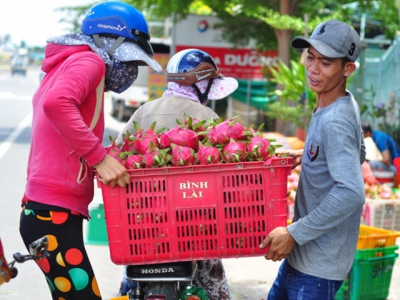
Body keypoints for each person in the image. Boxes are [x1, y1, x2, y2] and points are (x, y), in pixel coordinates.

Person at [19, 2, 161, 299]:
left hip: (48, 211)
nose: (130, 70)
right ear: (110, 42)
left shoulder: (69, 63)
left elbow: (60, 136)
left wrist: (113, 154)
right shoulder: (90, 62)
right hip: (51, 213)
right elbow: (57, 105)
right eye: (130, 60)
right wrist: (99, 158)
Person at [115, 48, 237, 300]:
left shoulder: (144, 111)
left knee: (129, 279)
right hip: (194, 225)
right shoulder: (207, 116)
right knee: (214, 278)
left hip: (143, 221)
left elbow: (117, 152)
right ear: (200, 84)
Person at [260, 20, 366, 299]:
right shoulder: (339, 101)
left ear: (348, 69)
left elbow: (352, 192)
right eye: (311, 57)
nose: (313, 69)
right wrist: (310, 157)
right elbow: (359, 153)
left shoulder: (335, 119)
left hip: (318, 267)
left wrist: (294, 233)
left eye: (326, 63)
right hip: (303, 257)